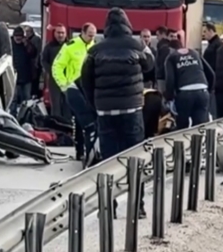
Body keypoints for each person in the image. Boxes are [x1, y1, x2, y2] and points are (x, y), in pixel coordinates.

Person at [80, 8, 154, 159]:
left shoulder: (94, 50)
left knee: (109, 157)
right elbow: (150, 64)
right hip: (131, 108)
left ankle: (111, 182)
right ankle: (133, 181)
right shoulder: (136, 45)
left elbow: (85, 80)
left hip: (105, 110)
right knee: (134, 154)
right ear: (127, 24)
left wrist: (94, 104)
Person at [52, 23, 97, 162]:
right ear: (83, 32)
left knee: (92, 121)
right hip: (75, 89)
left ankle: (91, 149)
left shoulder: (94, 47)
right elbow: (57, 66)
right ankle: (79, 151)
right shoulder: (70, 46)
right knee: (78, 121)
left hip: (89, 90)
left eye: (93, 35)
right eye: (89, 35)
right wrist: (64, 85)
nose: (91, 38)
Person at [163, 42, 215, 128]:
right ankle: (198, 141)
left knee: (182, 126)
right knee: (199, 126)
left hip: (184, 92)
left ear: (170, 50)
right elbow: (211, 74)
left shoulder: (171, 57)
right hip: (202, 90)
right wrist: (208, 90)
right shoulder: (195, 53)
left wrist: (169, 98)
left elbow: (170, 80)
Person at [42, 25, 71, 118]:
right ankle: (56, 126)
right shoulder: (49, 47)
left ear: (66, 34)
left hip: (68, 79)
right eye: (58, 33)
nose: (60, 35)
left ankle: (68, 126)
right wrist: (52, 71)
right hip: (54, 80)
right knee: (55, 106)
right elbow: (43, 61)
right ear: (54, 33)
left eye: (62, 33)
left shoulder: (70, 46)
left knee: (68, 105)